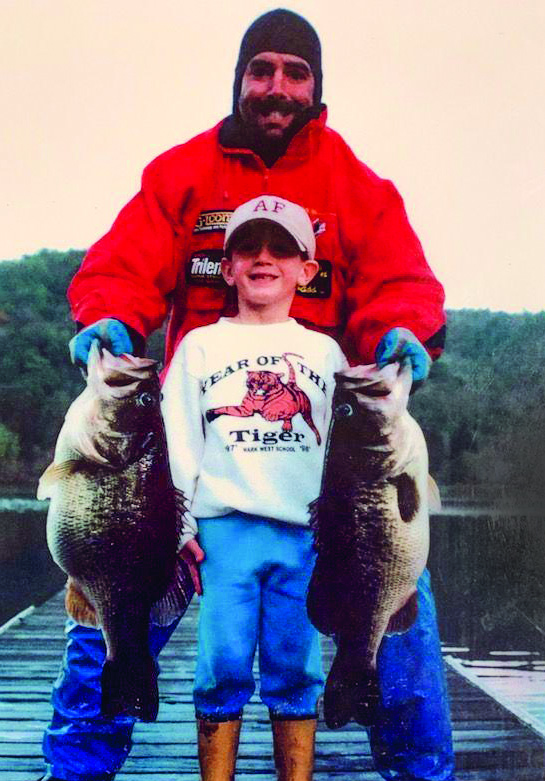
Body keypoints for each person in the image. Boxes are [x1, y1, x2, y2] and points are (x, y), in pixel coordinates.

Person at [38, 9, 454, 781]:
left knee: (397, 606)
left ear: (316, 87)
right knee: (109, 612)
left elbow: (400, 284)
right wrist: (110, 318)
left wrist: (401, 331)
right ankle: (75, 769)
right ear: (239, 79)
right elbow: (121, 269)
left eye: (295, 73)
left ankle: (420, 771)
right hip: (190, 469)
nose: (276, 87)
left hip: (321, 477)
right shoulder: (178, 175)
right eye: (261, 69)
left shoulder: (360, 190)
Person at [161, 194, 347, 779]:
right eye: (248, 248)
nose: (264, 258)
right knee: (222, 663)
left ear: (306, 270)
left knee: (297, 666)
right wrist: (179, 524)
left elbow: (343, 452)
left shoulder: (326, 353)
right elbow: (178, 441)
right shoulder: (199, 346)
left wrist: (342, 528)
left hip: (305, 535)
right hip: (224, 532)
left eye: (281, 250)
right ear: (227, 268)